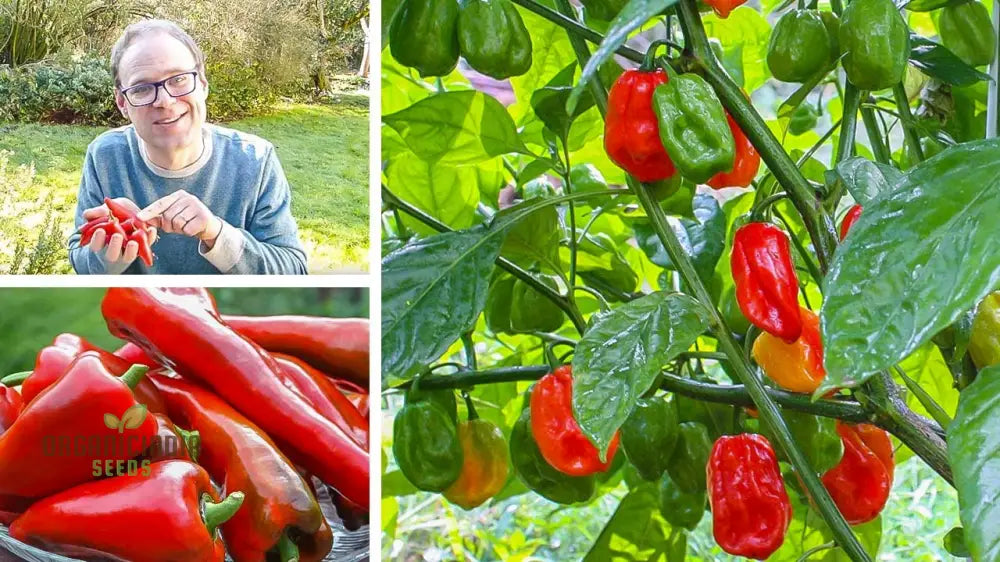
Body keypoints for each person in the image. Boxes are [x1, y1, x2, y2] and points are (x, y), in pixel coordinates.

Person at [68, 19, 308, 274]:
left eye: (179, 79)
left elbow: (293, 270)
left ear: (203, 83)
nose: (165, 100)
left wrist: (215, 232)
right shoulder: (105, 156)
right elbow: (80, 256)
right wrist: (109, 253)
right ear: (122, 103)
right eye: (141, 88)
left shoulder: (256, 160)